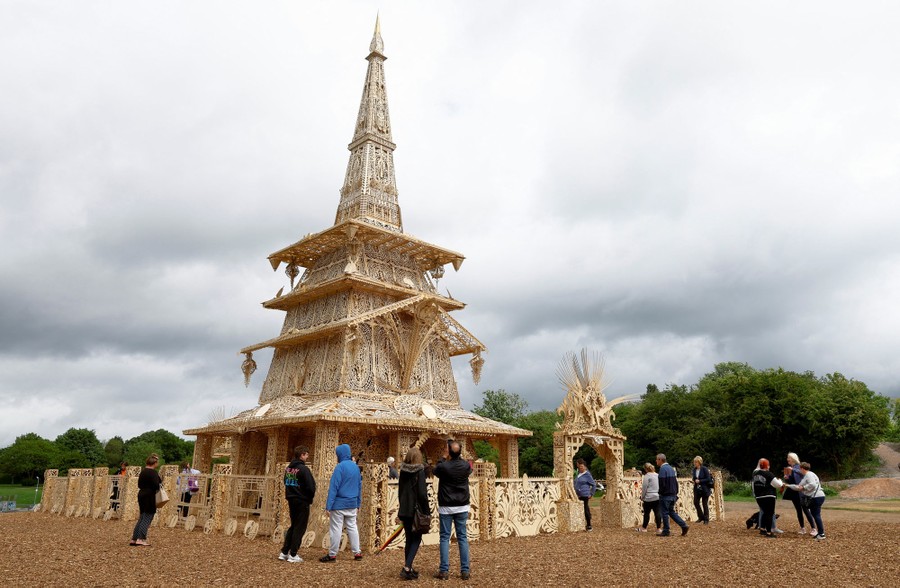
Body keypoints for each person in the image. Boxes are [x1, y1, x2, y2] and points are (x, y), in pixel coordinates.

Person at [433, 439, 472, 580]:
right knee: (462, 537)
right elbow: (469, 469)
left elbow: (435, 470)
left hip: (447, 506)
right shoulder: (466, 466)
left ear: (448, 451)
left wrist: (443, 456)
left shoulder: (444, 466)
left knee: (444, 537)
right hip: (462, 505)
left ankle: (444, 570)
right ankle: (465, 570)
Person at [320, 444, 362, 562]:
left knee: (336, 529)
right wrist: (358, 503)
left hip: (339, 504)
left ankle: (332, 554)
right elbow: (359, 487)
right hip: (352, 503)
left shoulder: (340, 467)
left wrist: (329, 505)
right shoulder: (356, 468)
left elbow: (334, 487)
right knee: (352, 527)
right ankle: (357, 552)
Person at [279, 445, 316, 563]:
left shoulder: (289, 469)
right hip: (302, 501)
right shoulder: (304, 470)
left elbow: (285, 482)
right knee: (300, 527)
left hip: (291, 499)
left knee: (294, 525)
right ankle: (293, 554)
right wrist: (309, 497)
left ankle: (284, 552)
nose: (307, 456)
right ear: (302, 455)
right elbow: (311, 486)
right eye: (306, 454)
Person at [397, 447, 429, 580]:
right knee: (416, 538)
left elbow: (400, 491)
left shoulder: (403, 471)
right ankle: (407, 568)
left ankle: (408, 567)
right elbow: (422, 493)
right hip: (416, 509)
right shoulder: (420, 471)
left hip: (404, 509)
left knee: (409, 539)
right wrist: (426, 510)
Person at [787, 462, 826, 541]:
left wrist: (804, 487)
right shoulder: (807, 475)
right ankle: (820, 533)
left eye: (799, 469)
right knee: (815, 515)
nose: (799, 470)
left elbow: (813, 485)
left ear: (802, 468)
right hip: (817, 496)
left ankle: (821, 534)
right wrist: (787, 485)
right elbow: (798, 487)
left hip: (816, 497)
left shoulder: (809, 475)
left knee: (816, 515)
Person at [130, 454, 161, 546]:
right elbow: (157, 484)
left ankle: (134, 538)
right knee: (148, 516)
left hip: (141, 494)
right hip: (150, 495)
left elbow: (139, 485)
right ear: (154, 463)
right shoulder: (153, 473)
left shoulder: (143, 472)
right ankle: (141, 538)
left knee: (142, 516)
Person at [782, 452, 816, 535]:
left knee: (805, 510)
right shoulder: (790, 468)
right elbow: (791, 481)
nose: (787, 459)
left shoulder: (799, 466)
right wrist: (787, 477)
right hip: (794, 491)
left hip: (801, 491)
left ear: (793, 458)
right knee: (798, 510)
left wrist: (792, 470)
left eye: (788, 457)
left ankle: (813, 528)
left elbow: (803, 473)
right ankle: (802, 528)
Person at [656, 453, 688, 536]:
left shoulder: (663, 469)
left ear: (660, 460)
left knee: (665, 513)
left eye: (657, 459)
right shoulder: (671, 468)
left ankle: (666, 530)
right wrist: (676, 492)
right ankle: (683, 525)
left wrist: (660, 493)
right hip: (673, 494)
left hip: (666, 495)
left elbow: (662, 483)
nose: (656, 461)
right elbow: (675, 482)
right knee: (671, 512)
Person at [752, 458, 781, 538]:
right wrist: (781, 481)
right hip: (768, 496)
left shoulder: (756, 474)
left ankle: (762, 528)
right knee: (770, 513)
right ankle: (769, 532)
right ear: (767, 466)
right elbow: (777, 485)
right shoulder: (769, 474)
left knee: (764, 512)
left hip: (759, 497)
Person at [636, 463, 662, 533]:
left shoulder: (647, 476)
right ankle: (659, 528)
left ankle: (644, 527)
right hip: (657, 496)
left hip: (649, 497)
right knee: (657, 512)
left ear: (645, 469)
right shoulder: (657, 475)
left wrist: (643, 497)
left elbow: (644, 488)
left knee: (647, 513)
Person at [573, 458, 596, 531]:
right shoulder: (578, 474)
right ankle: (581, 523)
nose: (580, 468)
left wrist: (591, 493)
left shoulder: (587, 475)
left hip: (585, 494)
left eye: (582, 466)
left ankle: (589, 524)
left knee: (585, 508)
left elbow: (593, 484)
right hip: (578, 494)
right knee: (581, 509)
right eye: (579, 466)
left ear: (585, 466)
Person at [691, 456, 712, 525]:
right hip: (697, 489)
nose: (695, 463)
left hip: (704, 488)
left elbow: (708, 479)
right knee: (696, 502)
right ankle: (701, 517)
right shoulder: (694, 469)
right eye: (694, 462)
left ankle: (706, 519)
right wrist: (694, 480)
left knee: (704, 503)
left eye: (696, 462)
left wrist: (700, 481)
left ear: (699, 462)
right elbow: (694, 478)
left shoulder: (704, 469)